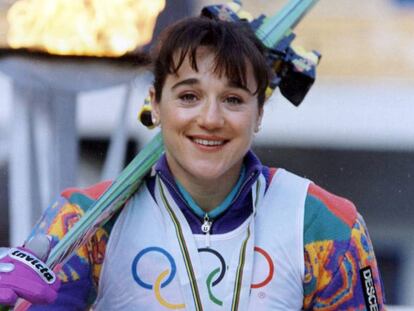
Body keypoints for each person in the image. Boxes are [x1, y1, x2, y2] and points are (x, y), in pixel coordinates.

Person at [0, 16, 386, 310]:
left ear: (260, 113)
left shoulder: (324, 224)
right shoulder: (86, 219)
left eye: (233, 99)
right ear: (155, 102)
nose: (211, 119)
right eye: (188, 96)